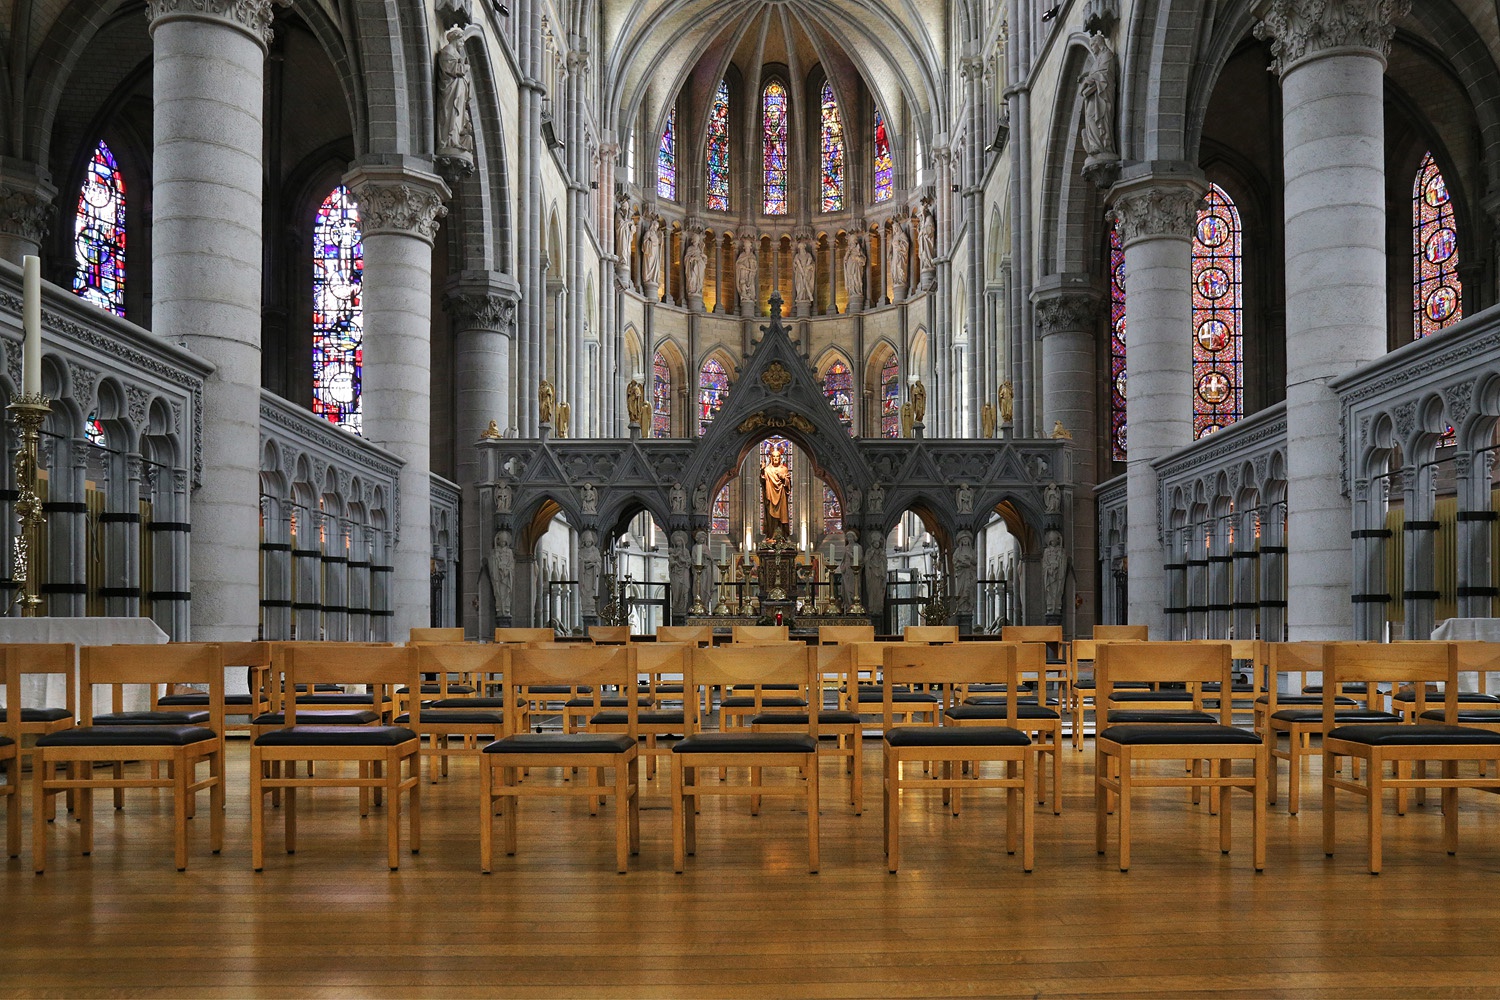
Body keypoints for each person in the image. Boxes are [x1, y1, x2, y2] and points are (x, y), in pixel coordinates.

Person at [436, 26, 474, 156]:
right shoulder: (448, 51)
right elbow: (451, 69)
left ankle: (455, 140)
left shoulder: (456, 55)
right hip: (451, 91)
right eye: (461, 41)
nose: (462, 44)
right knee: (451, 114)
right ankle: (450, 140)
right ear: (455, 39)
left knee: (457, 117)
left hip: (458, 93)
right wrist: (465, 67)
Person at [760, 445, 791, 538]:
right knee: (771, 517)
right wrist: (762, 471)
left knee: (781, 516)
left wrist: (783, 478)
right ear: (771, 458)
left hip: (781, 496)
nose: (776, 458)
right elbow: (763, 482)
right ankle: (771, 535)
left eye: (778, 457)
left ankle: (781, 536)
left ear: (780, 458)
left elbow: (788, 484)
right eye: (774, 457)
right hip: (770, 495)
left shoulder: (784, 469)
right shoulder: (767, 469)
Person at [488, 529, 514, 616]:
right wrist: (495, 560)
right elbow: (492, 564)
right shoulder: (495, 551)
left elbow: (511, 564)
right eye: (501, 541)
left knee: (506, 593)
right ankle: (499, 609)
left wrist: (507, 570)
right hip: (498, 576)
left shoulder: (509, 552)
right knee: (498, 592)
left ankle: (506, 609)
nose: (502, 543)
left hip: (506, 576)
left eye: (504, 542)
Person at [951, 531, 977, 615]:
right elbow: (954, 561)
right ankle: (961, 606)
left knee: (968, 591)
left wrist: (969, 560)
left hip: (969, 574)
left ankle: (968, 606)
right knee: (961, 591)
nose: (965, 541)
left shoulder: (972, 551)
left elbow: (975, 561)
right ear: (960, 541)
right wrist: (961, 564)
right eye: (963, 539)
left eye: (967, 539)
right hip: (960, 575)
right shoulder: (958, 551)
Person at [578, 530, 602, 617]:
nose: (588, 543)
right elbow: (579, 561)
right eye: (586, 541)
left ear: (592, 541)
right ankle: (585, 607)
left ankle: (592, 608)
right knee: (584, 593)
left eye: (589, 541)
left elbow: (599, 562)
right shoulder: (581, 551)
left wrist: (594, 565)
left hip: (593, 576)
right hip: (584, 576)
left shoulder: (595, 551)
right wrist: (584, 563)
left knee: (592, 595)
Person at [1042, 529, 1067, 615]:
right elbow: (1044, 564)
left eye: (1055, 540)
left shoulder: (1061, 551)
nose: (1053, 542)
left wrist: (1061, 560)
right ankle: (1050, 607)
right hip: (1050, 575)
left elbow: (1063, 564)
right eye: (1051, 541)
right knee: (1050, 592)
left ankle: (1057, 607)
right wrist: (1049, 569)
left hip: (1058, 575)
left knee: (1058, 591)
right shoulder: (1046, 551)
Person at [683, 230, 706, 297]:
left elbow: (703, 260)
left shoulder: (700, 249)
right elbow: (686, 258)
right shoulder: (690, 248)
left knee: (698, 278)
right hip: (692, 266)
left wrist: (703, 257)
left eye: (696, 240)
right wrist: (691, 259)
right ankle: (692, 289)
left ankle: (697, 289)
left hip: (699, 266)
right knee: (692, 276)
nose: (695, 241)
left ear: (698, 241)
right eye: (694, 240)